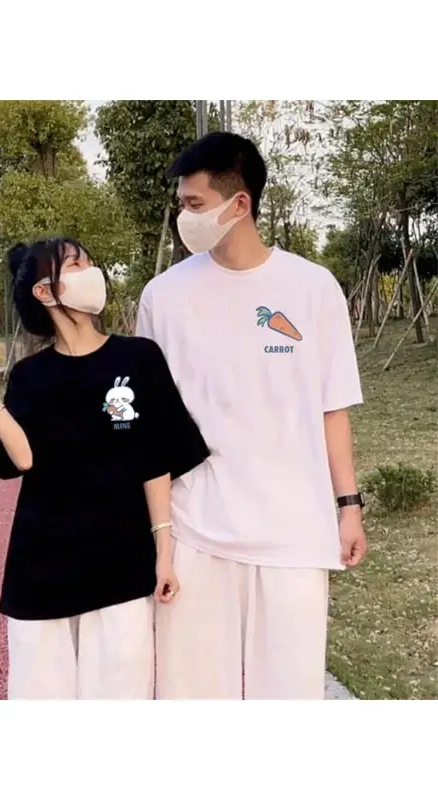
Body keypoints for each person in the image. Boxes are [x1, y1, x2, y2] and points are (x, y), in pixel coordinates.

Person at [0, 236, 209, 700]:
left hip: (121, 564)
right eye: (75, 265)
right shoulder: (30, 375)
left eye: (90, 263)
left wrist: (164, 553)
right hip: (42, 566)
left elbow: (155, 459)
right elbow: (23, 459)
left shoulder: (139, 357)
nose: (91, 272)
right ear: (44, 291)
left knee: (121, 696)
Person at [136, 132, 367, 700]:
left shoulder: (312, 288)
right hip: (196, 529)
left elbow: (332, 407)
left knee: (290, 694)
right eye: (181, 203)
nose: (183, 217)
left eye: (194, 204)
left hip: (292, 531)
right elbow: (151, 425)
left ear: (239, 204)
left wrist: (349, 507)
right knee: (191, 695)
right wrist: (158, 533)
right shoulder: (163, 297)